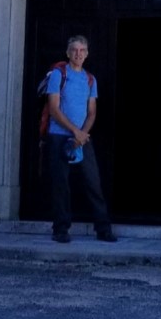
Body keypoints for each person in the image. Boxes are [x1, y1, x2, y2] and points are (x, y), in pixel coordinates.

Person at [43, 34, 117, 243]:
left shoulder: (90, 79)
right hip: (59, 136)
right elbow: (54, 108)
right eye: (75, 50)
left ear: (87, 54)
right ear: (68, 53)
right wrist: (76, 132)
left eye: (82, 50)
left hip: (82, 140)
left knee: (93, 183)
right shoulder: (59, 74)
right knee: (61, 185)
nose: (78, 54)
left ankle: (103, 228)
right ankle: (60, 229)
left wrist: (82, 135)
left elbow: (92, 112)